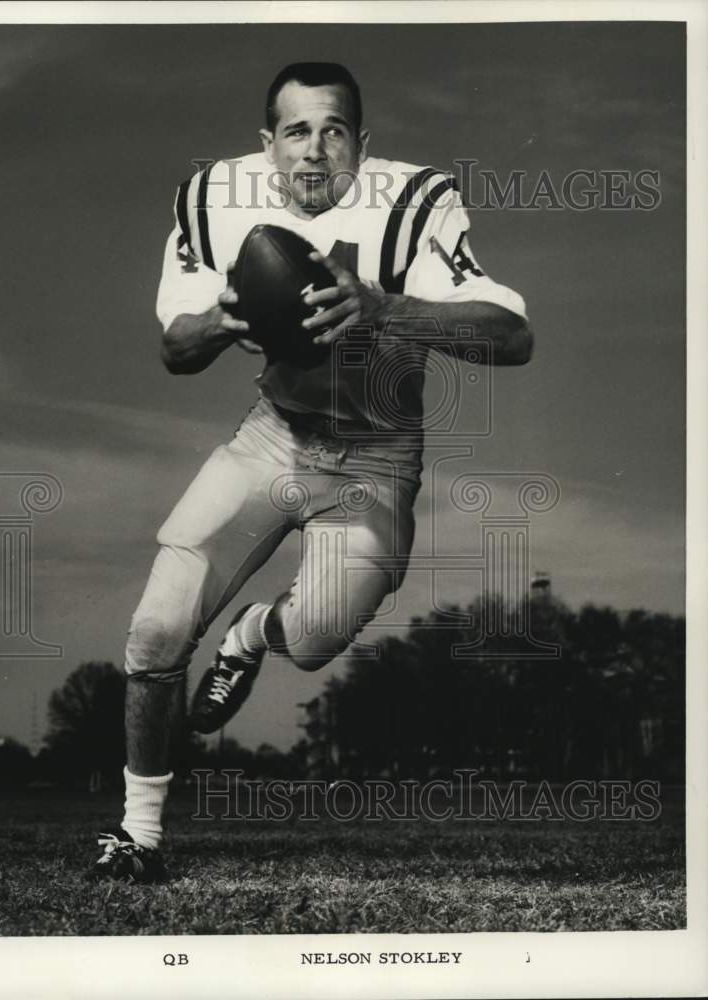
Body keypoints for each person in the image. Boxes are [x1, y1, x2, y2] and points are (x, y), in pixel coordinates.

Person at [89, 62, 532, 882]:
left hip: (377, 456)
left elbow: (512, 335)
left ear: (364, 145)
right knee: (154, 631)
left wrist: (384, 305)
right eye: (297, 131)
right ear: (268, 146)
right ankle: (139, 834)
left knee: (319, 640)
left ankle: (253, 634)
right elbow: (175, 350)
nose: (316, 151)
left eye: (335, 131)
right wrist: (224, 318)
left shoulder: (412, 206)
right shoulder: (215, 200)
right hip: (273, 438)